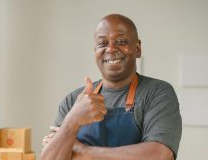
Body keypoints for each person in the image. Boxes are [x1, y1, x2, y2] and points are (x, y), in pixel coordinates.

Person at [40, 14, 182, 160]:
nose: (111, 49)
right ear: (95, 51)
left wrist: (83, 152)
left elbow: (159, 155)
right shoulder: (73, 101)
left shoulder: (157, 93)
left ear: (137, 48)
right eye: (103, 43)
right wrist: (72, 119)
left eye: (121, 41)